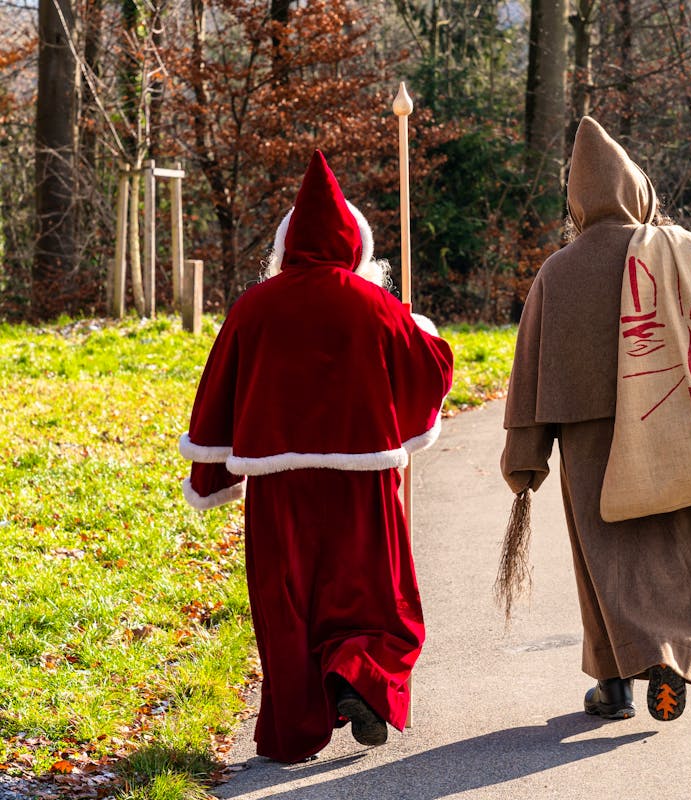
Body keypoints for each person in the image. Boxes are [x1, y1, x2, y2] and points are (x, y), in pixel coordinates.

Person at [179, 151, 454, 763]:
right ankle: (359, 673)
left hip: (281, 490)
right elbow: (429, 368)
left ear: (285, 245)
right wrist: (424, 331)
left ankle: (299, 721)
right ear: (356, 245)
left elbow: (219, 388)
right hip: (364, 484)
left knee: (289, 602)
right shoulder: (376, 305)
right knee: (375, 593)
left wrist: (213, 473)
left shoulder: (255, 307)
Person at [501, 118, 691, 723]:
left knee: (604, 558)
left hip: (588, 435)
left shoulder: (558, 271)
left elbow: (528, 375)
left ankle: (614, 684)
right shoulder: (683, 253)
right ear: (637, 188)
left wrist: (524, 458)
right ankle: (671, 658)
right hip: (675, 416)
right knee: (677, 542)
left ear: (577, 201)